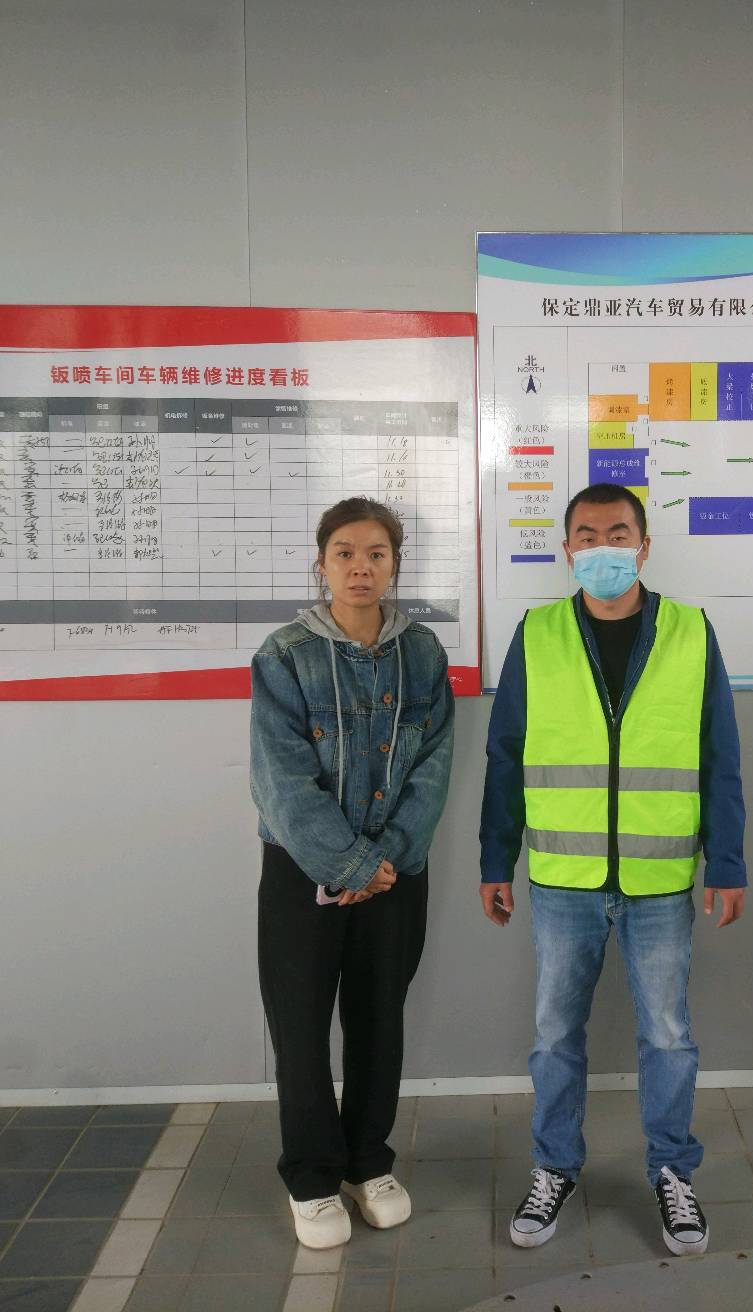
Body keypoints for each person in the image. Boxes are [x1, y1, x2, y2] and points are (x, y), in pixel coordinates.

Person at [480, 482, 746, 1257]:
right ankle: (554, 1166)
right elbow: (505, 755)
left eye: (618, 534)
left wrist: (727, 863)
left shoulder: (691, 631)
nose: (604, 548)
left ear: (644, 545)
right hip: (562, 880)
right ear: (567, 550)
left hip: (660, 881)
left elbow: (720, 755)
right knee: (554, 1034)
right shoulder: (538, 634)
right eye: (588, 536)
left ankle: (673, 1171)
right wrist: (496, 858)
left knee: (668, 1035)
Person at [250, 495, 454, 1249]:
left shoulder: (422, 653)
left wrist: (385, 859)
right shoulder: (283, 655)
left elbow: (434, 765)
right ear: (322, 563)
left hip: (398, 872)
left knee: (379, 1021)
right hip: (303, 872)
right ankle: (311, 1175)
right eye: (345, 553)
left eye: (376, 553)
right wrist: (352, 864)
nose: (360, 567)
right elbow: (281, 780)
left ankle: (368, 1161)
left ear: (395, 563)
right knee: (301, 1026)